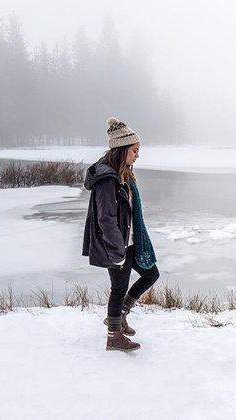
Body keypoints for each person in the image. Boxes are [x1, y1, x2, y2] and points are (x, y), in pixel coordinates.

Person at [82, 117, 159, 352]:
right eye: (135, 150)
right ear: (123, 149)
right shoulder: (108, 179)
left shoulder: (122, 174)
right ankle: (113, 336)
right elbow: (106, 218)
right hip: (116, 245)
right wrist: (118, 250)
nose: (137, 155)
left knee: (151, 274)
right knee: (119, 288)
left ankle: (119, 316)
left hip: (130, 241)